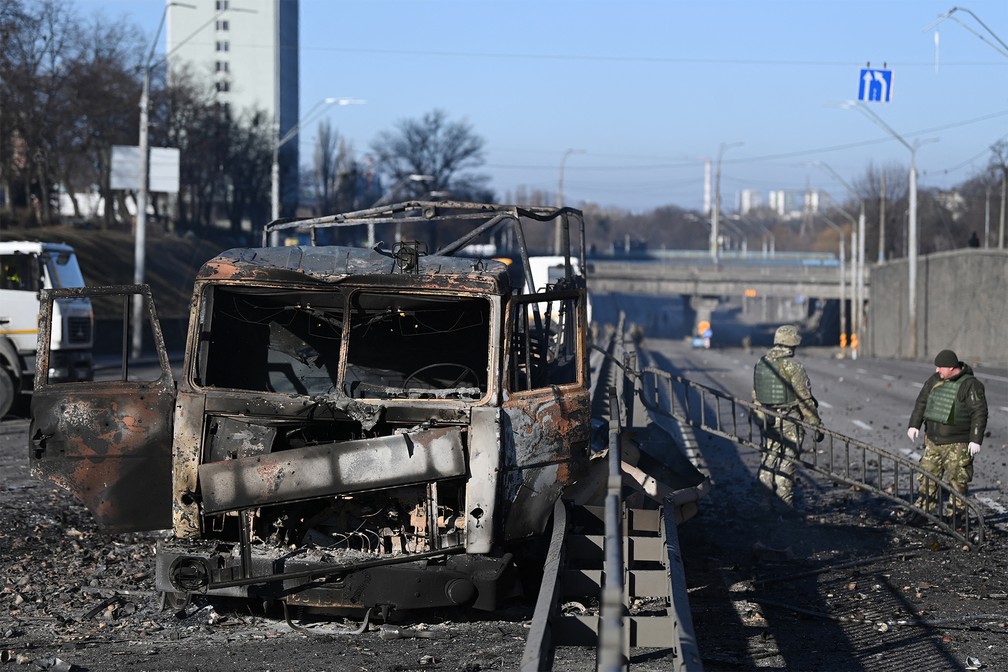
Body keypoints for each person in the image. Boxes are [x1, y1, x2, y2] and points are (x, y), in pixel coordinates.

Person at [907, 349, 988, 520]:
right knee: (927, 476)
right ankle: (924, 511)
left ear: (951, 368)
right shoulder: (934, 380)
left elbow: (979, 412)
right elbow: (922, 402)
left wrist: (975, 439)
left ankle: (956, 516)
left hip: (958, 443)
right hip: (933, 441)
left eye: (940, 367)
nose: (937, 370)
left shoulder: (970, 385)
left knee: (957, 480)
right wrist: (914, 425)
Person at [751, 324, 823, 508]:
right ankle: (785, 506)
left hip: (767, 419)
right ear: (792, 344)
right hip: (788, 420)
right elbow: (804, 399)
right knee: (786, 462)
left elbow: (755, 394)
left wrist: (759, 417)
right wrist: (815, 424)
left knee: (768, 460)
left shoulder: (762, 363)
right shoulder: (794, 367)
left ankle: (763, 505)